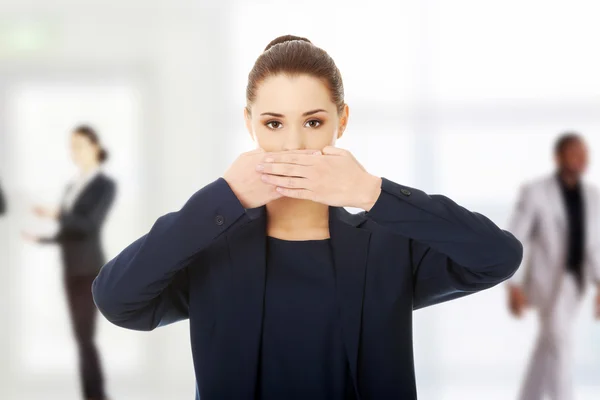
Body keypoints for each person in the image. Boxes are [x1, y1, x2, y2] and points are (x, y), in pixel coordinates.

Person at [92, 35, 522, 400]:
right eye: (274, 124)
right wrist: (222, 199)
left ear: (342, 120)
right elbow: (117, 300)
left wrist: (372, 192)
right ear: (250, 125)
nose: (293, 145)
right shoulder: (213, 248)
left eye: (313, 122)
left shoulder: (388, 245)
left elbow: (497, 257)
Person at [24, 125, 116, 400]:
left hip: (89, 269)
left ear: (95, 147)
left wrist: (56, 213)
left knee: (86, 337)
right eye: (71, 146)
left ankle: (96, 395)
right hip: (70, 268)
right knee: (80, 338)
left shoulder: (104, 185)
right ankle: (92, 393)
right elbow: (68, 231)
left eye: (79, 145)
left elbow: (88, 225)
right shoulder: (70, 186)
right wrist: (42, 240)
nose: (73, 151)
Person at [507, 133, 600, 400]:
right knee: (560, 345)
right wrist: (512, 285)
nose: (581, 159)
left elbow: (593, 245)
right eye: (574, 153)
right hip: (546, 282)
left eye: (584, 153)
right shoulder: (536, 192)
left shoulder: (593, 196)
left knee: (547, 345)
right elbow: (515, 237)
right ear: (559, 157)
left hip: (575, 282)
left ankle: (529, 396)